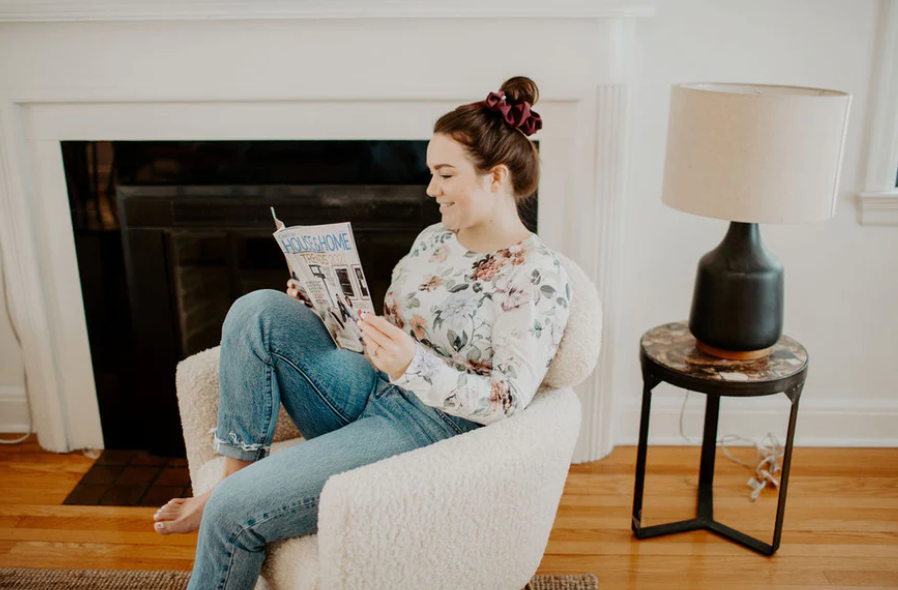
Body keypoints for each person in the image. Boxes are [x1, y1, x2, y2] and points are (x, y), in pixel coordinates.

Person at [151, 76, 572, 590]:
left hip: (432, 430)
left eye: (444, 174)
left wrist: (413, 366)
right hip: (373, 386)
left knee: (233, 515)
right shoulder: (435, 239)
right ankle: (235, 478)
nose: (430, 189)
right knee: (257, 309)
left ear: (495, 177)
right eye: (430, 173)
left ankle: (229, 502)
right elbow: (391, 329)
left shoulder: (536, 273)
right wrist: (324, 304)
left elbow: (508, 398)